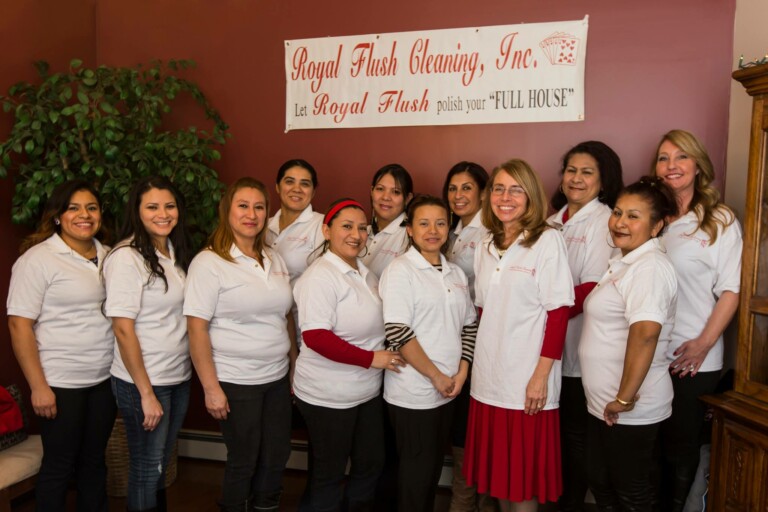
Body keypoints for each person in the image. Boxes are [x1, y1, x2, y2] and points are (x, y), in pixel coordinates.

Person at [464, 159, 574, 512]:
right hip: (488, 379)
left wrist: (540, 379)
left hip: (527, 381)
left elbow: (558, 316)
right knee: (499, 478)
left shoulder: (547, 241)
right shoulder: (484, 245)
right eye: (498, 188)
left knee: (522, 481)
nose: (505, 197)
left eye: (516, 189)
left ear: (530, 197)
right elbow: (484, 311)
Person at [185, 178, 295, 512]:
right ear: (227, 211)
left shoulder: (274, 258)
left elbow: (285, 318)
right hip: (235, 379)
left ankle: (265, 506)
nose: (252, 214)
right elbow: (196, 328)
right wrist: (210, 387)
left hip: (275, 377)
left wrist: (292, 367)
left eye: (259, 207)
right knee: (244, 458)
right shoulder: (209, 263)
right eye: (243, 206)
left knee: (277, 454)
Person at [7, 180, 116, 512]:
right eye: (73, 208)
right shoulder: (38, 260)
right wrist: (39, 387)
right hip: (60, 381)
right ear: (57, 216)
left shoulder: (111, 256)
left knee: (95, 462)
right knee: (59, 465)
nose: (84, 215)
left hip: (106, 379)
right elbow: (19, 324)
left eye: (91, 208)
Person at [293, 198, 406, 511]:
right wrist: (373, 359)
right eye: (346, 226)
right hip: (328, 395)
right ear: (327, 231)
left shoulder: (364, 273)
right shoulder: (320, 277)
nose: (356, 234)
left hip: (365, 392)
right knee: (328, 474)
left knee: (371, 462)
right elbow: (316, 337)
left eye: (362, 228)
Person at [651, 129, 742, 511]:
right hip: (649, 353)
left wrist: (704, 344)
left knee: (681, 445)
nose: (671, 166)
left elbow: (731, 291)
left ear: (698, 166)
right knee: (649, 442)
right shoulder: (650, 216)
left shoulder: (718, 220)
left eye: (681, 157)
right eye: (663, 158)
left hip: (694, 355)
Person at [579, 176, 678, 511]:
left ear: (657, 226)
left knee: (632, 493)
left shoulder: (649, 267)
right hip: (605, 406)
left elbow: (646, 334)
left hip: (630, 409)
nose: (620, 222)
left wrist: (623, 398)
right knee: (603, 485)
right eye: (618, 212)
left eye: (633, 216)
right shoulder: (625, 262)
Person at [379, 194, 477, 512]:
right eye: (423, 223)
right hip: (415, 393)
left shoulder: (456, 274)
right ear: (409, 229)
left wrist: (460, 374)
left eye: (440, 223)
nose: (432, 230)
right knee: (416, 477)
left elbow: (469, 327)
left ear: (449, 228)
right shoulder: (400, 270)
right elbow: (398, 332)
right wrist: (436, 376)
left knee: (432, 472)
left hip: (449, 389)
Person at [103, 176, 193, 512]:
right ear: (137, 211)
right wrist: (145, 393)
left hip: (177, 377)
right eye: (152, 206)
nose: (163, 213)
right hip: (143, 382)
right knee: (146, 467)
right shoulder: (127, 257)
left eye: (169, 206)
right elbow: (123, 329)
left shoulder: (172, 251)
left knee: (158, 467)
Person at [547, 141, 624, 512]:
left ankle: (570, 504)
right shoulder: (548, 222)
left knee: (576, 439)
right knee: (553, 436)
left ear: (603, 179)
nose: (576, 179)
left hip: (577, 350)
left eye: (587, 171)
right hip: (544, 350)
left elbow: (591, 288)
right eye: (571, 170)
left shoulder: (603, 220)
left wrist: (542, 314)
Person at [442, 161, 490, 511]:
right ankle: (463, 500)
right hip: (450, 341)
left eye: (467, 188)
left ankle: (478, 502)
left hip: (482, 342)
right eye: (453, 188)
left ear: (483, 193)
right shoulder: (448, 231)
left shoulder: (490, 231)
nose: (458, 196)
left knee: (476, 431)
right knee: (461, 430)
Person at [265, 159, 324, 285]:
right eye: (289, 181)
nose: (297, 189)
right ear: (277, 187)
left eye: (305, 184)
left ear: (313, 192)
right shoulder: (262, 225)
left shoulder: (323, 225)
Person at [362, 164, 414, 277]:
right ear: (371, 191)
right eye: (380, 189)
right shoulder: (361, 232)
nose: (386, 197)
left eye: (395, 192)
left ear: (408, 198)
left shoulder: (411, 236)